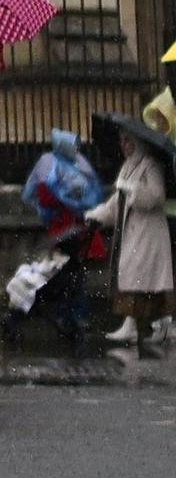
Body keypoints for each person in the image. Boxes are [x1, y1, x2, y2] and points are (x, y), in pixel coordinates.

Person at [20, 127, 105, 347]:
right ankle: (72, 313)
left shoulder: (59, 164)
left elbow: (38, 194)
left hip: (67, 227)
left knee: (69, 272)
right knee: (71, 272)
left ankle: (69, 313)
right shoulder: (65, 165)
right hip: (70, 227)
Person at [91, 128, 171, 357]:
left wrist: (135, 190)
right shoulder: (127, 167)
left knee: (142, 278)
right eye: (122, 141)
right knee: (140, 279)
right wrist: (97, 215)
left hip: (149, 233)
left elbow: (157, 196)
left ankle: (134, 326)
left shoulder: (150, 165)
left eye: (129, 141)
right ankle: (150, 325)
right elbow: (117, 202)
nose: (124, 145)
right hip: (134, 231)